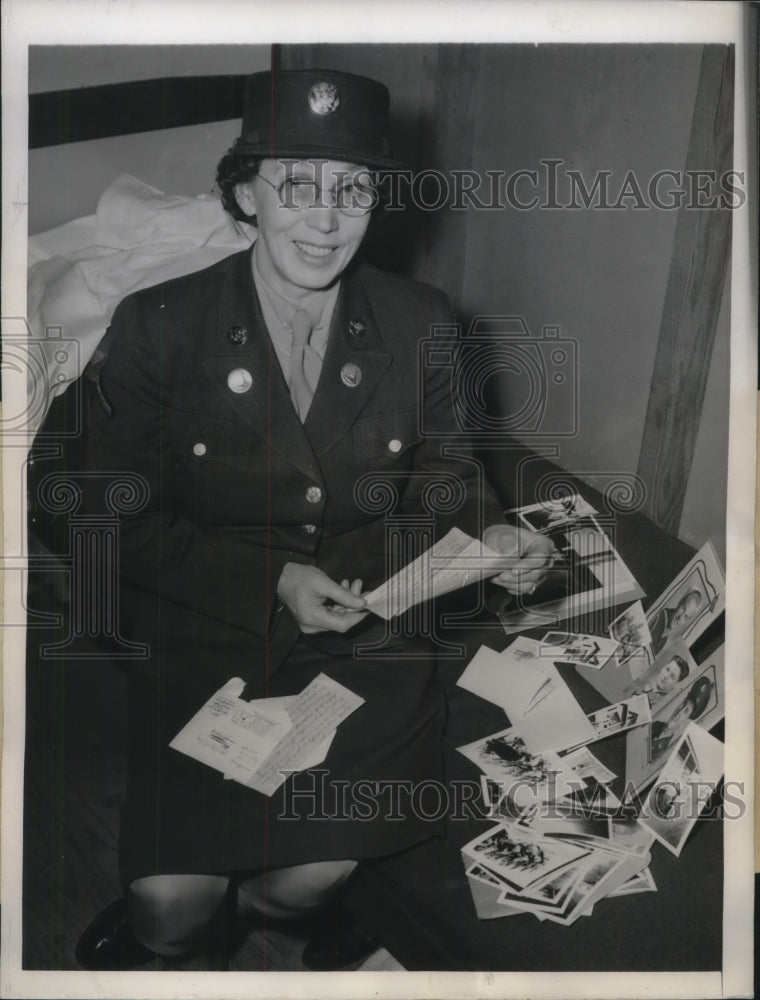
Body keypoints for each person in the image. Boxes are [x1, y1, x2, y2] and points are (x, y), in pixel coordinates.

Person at [74, 68, 555, 971]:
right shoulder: (157, 326)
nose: (324, 219)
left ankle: (281, 928)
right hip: (212, 629)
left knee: (301, 883)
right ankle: (176, 944)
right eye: (296, 184)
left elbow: (448, 474)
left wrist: (491, 535)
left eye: (352, 190)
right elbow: (104, 515)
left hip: (367, 635)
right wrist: (271, 582)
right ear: (246, 190)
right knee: (174, 907)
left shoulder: (422, 322)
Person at [649, 676, 712, 757]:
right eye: (683, 704)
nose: (680, 712)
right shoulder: (656, 725)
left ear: (686, 720)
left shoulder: (664, 751)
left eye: (686, 711)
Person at [648, 588, 703, 655]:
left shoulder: (665, 637)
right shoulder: (658, 617)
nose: (680, 617)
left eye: (686, 617)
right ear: (680, 601)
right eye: (683, 608)